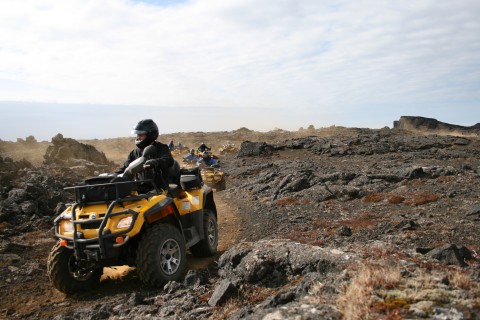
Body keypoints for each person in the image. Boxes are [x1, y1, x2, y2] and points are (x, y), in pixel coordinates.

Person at [115, 119, 174, 192]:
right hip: (140, 189)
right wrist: (114, 175)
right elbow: (126, 166)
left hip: (159, 190)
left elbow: (169, 160)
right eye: (137, 135)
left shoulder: (161, 148)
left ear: (150, 134)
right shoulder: (134, 152)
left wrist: (156, 162)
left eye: (140, 135)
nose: (138, 137)